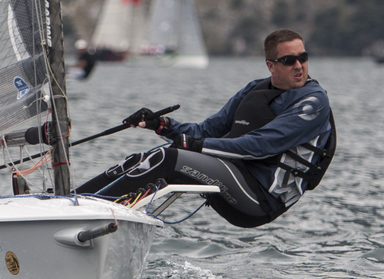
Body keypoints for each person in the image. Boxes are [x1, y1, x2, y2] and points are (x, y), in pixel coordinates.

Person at [75, 28, 335, 228]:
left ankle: (82, 214)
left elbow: (261, 145)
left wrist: (195, 146)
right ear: (271, 65)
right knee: (141, 160)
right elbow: (206, 131)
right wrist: (161, 124)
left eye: (303, 57)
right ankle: (73, 201)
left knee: (167, 157)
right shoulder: (253, 89)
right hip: (234, 176)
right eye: (289, 60)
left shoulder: (313, 102)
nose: (299, 66)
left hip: (261, 198)